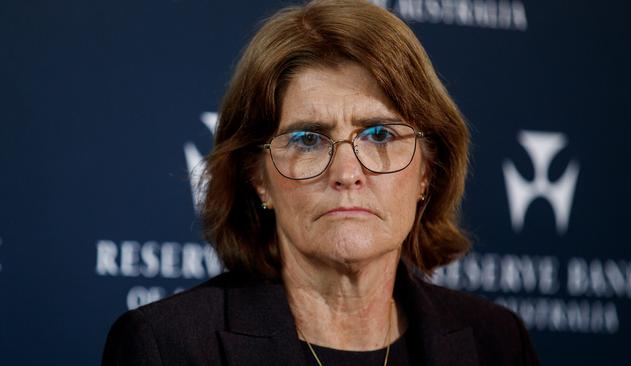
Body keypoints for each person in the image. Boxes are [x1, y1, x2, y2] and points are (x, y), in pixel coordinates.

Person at [102, 0, 540, 365]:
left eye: (379, 135)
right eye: (308, 139)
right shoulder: (167, 348)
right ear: (258, 177)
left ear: (427, 170)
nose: (347, 173)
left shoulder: (496, 343)